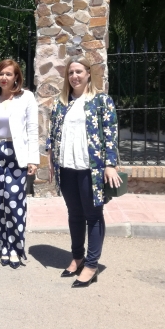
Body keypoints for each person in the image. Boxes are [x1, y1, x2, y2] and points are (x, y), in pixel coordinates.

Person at [47, 56, 122, 288]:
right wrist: (51, 160)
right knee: (75, 214)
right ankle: (77, 256)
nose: (74, 76)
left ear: (89, 74)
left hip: (92, 169)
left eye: (79, 71)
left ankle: (91, 265)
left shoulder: (101, 101)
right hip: (67, 167)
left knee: (93, 215)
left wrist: (110, 164)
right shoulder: (61, 102)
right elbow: (53, 134)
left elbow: (110, 133)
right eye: (71, 73)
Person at [0, 59, 38, 269]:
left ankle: (15, 246)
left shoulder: (26, 97)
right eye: (1, 74)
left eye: (9, 74)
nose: (4, 78)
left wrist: (33, 160)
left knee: (14, 203)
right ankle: (2, 244)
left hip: (17, 156)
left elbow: (32, 129)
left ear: (16, 77)